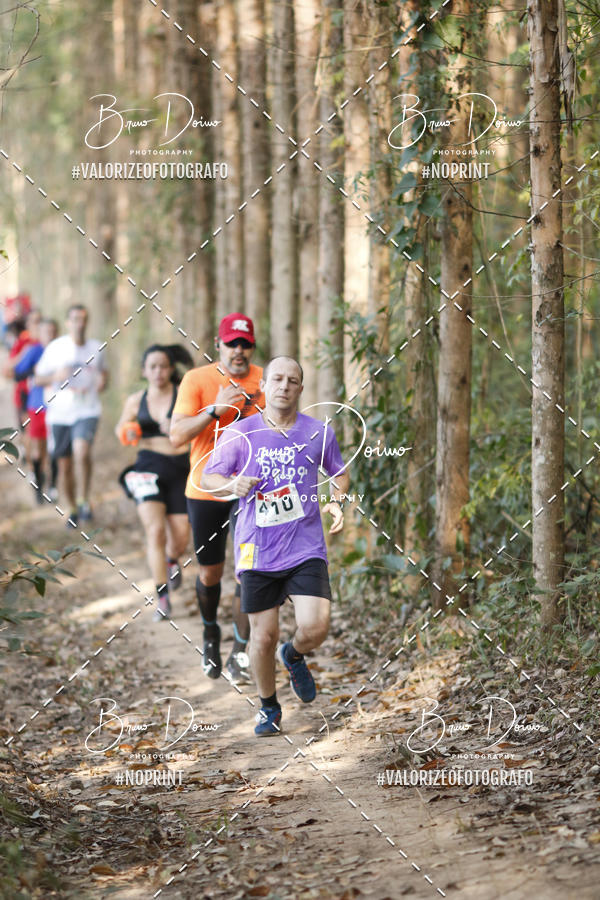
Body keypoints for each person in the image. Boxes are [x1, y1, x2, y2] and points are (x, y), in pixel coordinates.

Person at [202, 356, 350, 737]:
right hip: (257, 548)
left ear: (301, 389)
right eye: (278, 379)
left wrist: (337, 500)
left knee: (315, 626)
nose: (285, 386)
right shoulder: (241, 434)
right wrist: (230, 485)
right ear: (264, 385)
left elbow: (339, 474)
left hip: (305, 546)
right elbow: (209, 474)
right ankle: (268, 706)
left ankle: (295, 653)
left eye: (293, 380)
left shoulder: (318, 432)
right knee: (262, 637)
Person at [170, 313, 264, 684]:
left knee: (249, 573)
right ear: (218, 345)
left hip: (252, 490)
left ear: (251, 346)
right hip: (206, 488)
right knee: (210, 573)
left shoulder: (264, 379)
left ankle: (240, 650)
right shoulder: (197, 380)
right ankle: (211, 632)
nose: (238, 350)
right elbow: (177, 435)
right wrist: (215, 409)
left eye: (245, 344)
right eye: (232, 343)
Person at [116, 344, 193, 623]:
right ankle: (162, 597)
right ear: (144, 371)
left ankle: (172, 561)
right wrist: (131, 430)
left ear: (171, 369)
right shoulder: (136, 400)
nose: (159, 371)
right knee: (155, 531)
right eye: (153, 367)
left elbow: (199, 427)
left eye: (163, 366)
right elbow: (121, 430)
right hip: (147, 468)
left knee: (180, 539)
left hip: (180, 469)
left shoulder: (183, 396)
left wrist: (177, 426)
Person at [34, 304, 108, 525]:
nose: (79, 323)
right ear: (68, 322)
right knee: (65, 465)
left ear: (87, 322)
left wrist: (104, 381)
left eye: (83, 319)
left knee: (82, 451)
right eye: (75, 319)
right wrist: (56, 375)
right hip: (59, 413)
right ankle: (73, 508)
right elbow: (37, 379)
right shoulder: (56, 348)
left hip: (88, 410)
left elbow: (104, 374)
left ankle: (84, 499)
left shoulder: (97, 347)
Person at [12, 318, 59, 504]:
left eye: (53, 331)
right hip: (37, 405)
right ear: (39, 334)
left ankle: (53, 486)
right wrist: (35, 372)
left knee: (56, 449)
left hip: (59, 406)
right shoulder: (34, 351)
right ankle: (39, 487)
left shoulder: (62, 351)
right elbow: (17, 373)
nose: (49, 335)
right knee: (39, 450)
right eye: (46, 331)